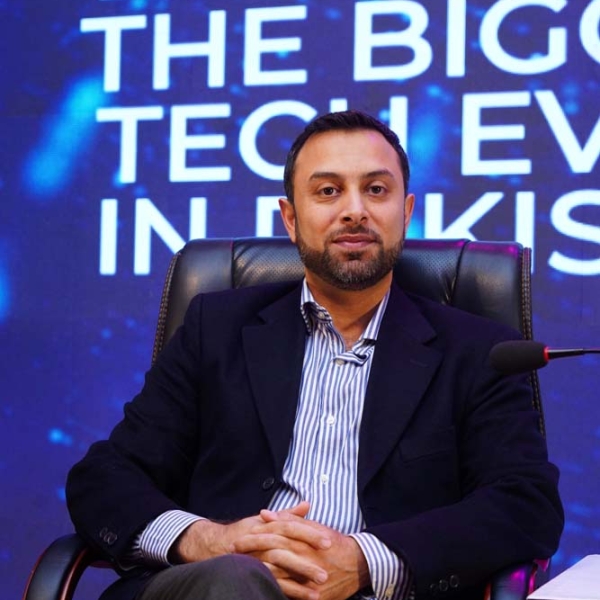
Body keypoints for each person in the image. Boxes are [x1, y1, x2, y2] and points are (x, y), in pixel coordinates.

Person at [66, 110, 563, 600]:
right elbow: (104, 479)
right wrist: (209, 542)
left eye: (376, 189)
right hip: (220, 587)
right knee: (235, 581)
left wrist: (365, 561)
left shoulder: (476, 351)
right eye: (328, 191)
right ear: (290, 218)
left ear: (406, 212)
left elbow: (525, 503)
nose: (354, 211)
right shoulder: (216, 329)